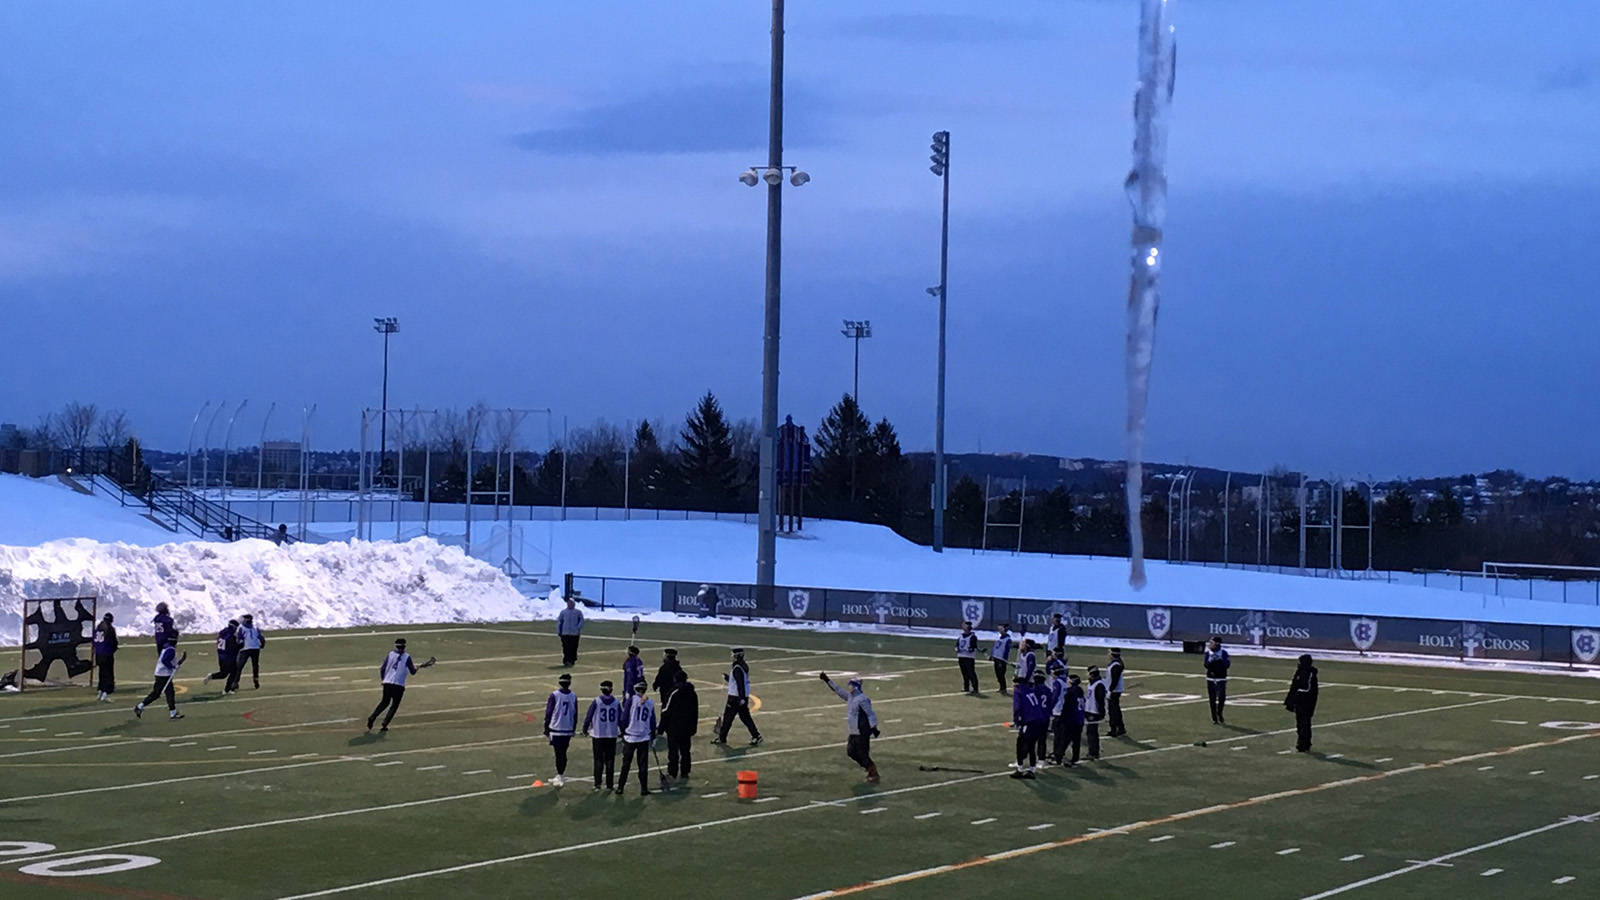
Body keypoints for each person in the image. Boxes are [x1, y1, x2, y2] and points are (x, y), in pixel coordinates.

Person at [819, 672, 880, 783]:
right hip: (853, 731)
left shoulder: (862, 699)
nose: (849, 687)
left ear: (856, 686)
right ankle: (868, 767)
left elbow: (870, 713)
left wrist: (874, 727)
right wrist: (827, 680)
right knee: (851, 752)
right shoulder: (850, 697)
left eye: (851, 685)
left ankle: (873, 772)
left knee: (863, 753)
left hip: (862, 731)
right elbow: (838, 690)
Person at [366, 638, 434, 732]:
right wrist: (419, 667)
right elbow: (412, 672)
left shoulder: (390, 654)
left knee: (384, 702)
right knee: (394, 705)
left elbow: (382, 668)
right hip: (399, 685)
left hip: (387, 683)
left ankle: (372, 717)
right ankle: (385, 724)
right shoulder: (407, 656)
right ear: (404, 646)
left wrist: (383, 679)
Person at [712, 647, 762, 746]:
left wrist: (741, 698)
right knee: (745, 718)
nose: (733, 658)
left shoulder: (737, 668)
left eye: (734, 656)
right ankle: (756, 735)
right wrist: (728, 678)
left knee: (728, 718)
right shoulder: (742, 666)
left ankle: (722, 738)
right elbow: (738, 681)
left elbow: (740, 684)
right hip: (740, 697)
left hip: (735, 698)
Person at [616, 682, 657, 796]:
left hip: (631, 737)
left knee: (626, 764)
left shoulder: (632, 700)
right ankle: (644, 788)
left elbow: (624, 717)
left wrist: (623, 730)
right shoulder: (649, 702)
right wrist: (652, 734)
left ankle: (620, 787)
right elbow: (652, 720)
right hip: (643, 737)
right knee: (643, 765)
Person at [660, 670, 698, 783]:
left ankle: (672, 772)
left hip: (674, 727)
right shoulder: (692, 692)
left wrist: (661, 728)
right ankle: (685, 771)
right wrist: (693, 727)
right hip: (687, 727)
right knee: (686, 751)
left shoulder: (674, 692)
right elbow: (695, 711)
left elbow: (666, 711)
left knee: (673, 752)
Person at [134, 635, 185, 720]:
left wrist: (181, 661)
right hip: (163, 674)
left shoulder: (167, 648)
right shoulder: (171, 650)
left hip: (161, 673)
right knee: (166, 693)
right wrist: (171, 667)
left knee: (160, 693)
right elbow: (165, 660)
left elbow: (171, 661)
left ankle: (140, 706)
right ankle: (172, 713)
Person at [583, 680, 623, 791]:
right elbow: (621, 719)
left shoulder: (597, 701)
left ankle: (597, 784)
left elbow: (589, 716)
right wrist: (623, 731)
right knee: (610, 760)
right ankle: (609, 785)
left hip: (598, 734)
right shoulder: (616, 702)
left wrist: (585, 729)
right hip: (611, 735)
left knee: (598, 760)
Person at [1010, 675, 1050, 778]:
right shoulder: (1030, 690)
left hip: (1029, 721)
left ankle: (1020, 768)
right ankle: (1032, 768)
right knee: (1032, 745)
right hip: (1039, 719)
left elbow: (1017, 707)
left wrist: (1016, 721)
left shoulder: (1019, 691)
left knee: (1020, 743)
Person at [543, 673, 578, 786]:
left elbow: (549, 712)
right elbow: (575, 714)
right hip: (567, 728)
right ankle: (560, 774)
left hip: (557, 728)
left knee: (559, 754)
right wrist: (573, 728)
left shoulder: (555, 695)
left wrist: (546, 727)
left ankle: (561, 775)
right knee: (561, 753)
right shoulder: (573, 696)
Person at [1286, 654, 1319, 752]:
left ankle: (1304, 743)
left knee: (1304, 723)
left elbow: (1306, 688)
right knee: (1300, 723)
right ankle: (1302, 742)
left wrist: (1297, 694)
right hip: (1300, 701)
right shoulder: (1300, 672)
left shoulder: (1309, 673)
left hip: (1306, 702)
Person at [204, 619, 242, 693]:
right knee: (234, 672)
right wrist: (241, 645)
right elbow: (233, 647)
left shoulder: (222, 632)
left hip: (221, 656)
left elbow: (218, 642)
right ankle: (227, 690)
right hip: (228, 657)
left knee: (223, 674)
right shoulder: (231, 636)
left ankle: (211, 676)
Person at [1059, 673, 1086, 766]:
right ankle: (1075, 757)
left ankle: (1059, 755)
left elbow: (1067, 706)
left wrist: (1062, 717)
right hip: (1079, 718)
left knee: (1065, 738)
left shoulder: (1070, 692)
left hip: (1071, 719)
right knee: (1076, 740)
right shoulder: (1080, 691)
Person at [1204, 636, 1232, 725]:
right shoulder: (1208, 653)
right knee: (1212, 698)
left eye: (1211, 643)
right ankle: (1214, 717)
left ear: (1217, 644)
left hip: (1221, 678)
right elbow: (1205, 665)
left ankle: (1219, 713)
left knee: (1221, 697)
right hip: (1211, 678)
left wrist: (1220, 661)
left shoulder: (1223, 653)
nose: (1209, 644)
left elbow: (1227, 665)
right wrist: (1211, 662)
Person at [236, 613, 266, 689]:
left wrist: (237, 646)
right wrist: (262, 645)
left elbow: (239, 639)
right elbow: (261, 637)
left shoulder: (242, 628)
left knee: (239, 666)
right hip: (255, 648)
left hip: (245, 649)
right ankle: (256, 680)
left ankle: (235, 682)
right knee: (255, 665)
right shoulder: (255, 628)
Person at [93, 613, 118, 702]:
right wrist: (112, 649)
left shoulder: (98, 628)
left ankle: (100, 690)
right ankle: (106, 693)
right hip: (106, 654)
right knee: (108, 674)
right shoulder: (110, 629)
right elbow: (114, 642)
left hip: (98, 654)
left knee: (102, 673)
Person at [1084, 665, 1108, 760]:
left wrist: (1101, 713)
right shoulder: (1092, 684)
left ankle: (1093, 752)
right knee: (1090, 732)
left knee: (1092, 733)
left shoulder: (1098, 685)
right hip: (1089, 710)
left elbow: (1100, 700)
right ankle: (1093, 751)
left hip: (1093, 712)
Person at [1031, 672, 1053, 764]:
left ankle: (1031, 759)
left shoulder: (1034, 690)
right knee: (1042, 740)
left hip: (1035, 718)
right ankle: (1041, 759)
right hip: (1045, 717)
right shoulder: (1048, 690)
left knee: (1031, 740)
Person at [556, 597, 584, 667]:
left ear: (574, 604)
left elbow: (581, 621)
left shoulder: (578, 612)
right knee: (566, 647)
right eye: (569, 603)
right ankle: (566, 660)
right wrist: (559, 631)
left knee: (573, 647)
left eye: (571, 603)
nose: (570, 604)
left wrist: (578, 628)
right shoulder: (563, 612)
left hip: (574, 634)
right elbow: (559, 622)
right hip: (565, 633)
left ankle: (572, 660)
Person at [955, 622, 981, 694]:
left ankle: (975, 687)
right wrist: (957, 649)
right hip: (961, 656)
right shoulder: (961, 636)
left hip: (969, 657)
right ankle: (966, 687)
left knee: (971, 672)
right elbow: (957, 644)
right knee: (964, 673)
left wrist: (970, 649)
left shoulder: (972, 637)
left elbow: (973, 646)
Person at [1106, 649, 1127, 737]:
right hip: (1114, 690)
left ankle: (1115, 728)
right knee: (1115, 709)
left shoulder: (1116, 665)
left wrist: (1110, 690)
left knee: (1113, 710)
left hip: (1114, 691)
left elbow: (1114, 680)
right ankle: (1119, 727)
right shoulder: (1116, 664)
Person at [990, 624, 1015, 695]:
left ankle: (1003, 688)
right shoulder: (998, 638)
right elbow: (995, 647)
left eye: (1001, 629)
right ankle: (1001, 687)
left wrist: (1004, 659)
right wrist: (992, 655)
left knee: (1001, 674)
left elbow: (1007, 650)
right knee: (997, 674)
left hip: (1001, 659)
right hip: (996, 657)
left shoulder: (1007, 639)